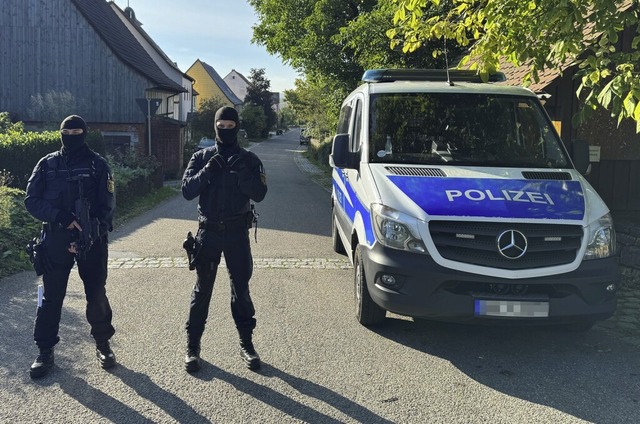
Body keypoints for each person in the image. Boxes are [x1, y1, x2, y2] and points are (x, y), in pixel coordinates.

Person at [24, 115, 116, 379]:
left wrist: (89, 232)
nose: (72, 136)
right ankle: (44, 350)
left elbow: (107, 206)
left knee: (96, 293)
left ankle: (103, 344)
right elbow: (31, 201)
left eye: (77, 131)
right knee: (51, 297)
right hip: (55, 239)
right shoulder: (47, 164)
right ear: (60, 133)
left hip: (91, 239)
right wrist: (60, 217)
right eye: (67, 131)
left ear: (84, 133)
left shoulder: (98, 165)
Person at [181, 106, 267, 372]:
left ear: (237, 127)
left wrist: (242, 173)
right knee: (202, 291)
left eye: (231, 126)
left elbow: (260, 193)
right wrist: (207, 171)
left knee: (240, 290)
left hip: (236, 234)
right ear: (215, 126)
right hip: (208, 234)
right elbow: (186, 190)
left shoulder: (250, 160)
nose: (226, 130)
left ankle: (246, 344)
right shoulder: (201, 157)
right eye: (222, 125)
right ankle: (192, 347)